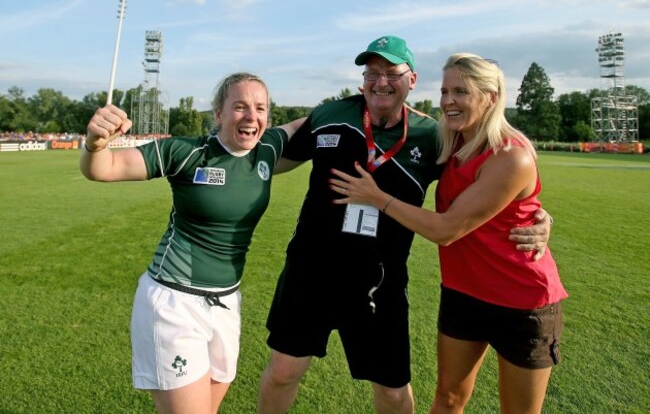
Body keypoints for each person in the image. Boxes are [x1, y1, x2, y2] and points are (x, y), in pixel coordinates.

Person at [258, 37, 553, 414]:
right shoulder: (330, 114)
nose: (380, 82)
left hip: (379, 281)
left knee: (394, 391)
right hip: (309, 271)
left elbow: (490, 187)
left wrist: (540, 217)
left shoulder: (433, 137)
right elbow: (276, 155)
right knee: (283, 371)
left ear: (411, 79)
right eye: (372, 73)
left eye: (391, 73)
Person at [329, 53, 568, 413]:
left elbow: (447, 230)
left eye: (460, 91)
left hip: (522, 302)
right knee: (448, 399)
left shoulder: (511, 156)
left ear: (489, 97)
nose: (448, 101)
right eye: (444, 91)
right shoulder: (451, 143)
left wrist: (377, 198)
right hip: (463, 294)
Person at [80, 72, 300, 414]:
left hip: (227, 304)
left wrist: (372, 103)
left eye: (260, 108)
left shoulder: (268, 149)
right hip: (173, 303)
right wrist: (95, 143)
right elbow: (103, 168)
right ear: (218, 114)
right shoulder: (185, 152)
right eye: (239, 106)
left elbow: (309, 123)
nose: (251, 117)